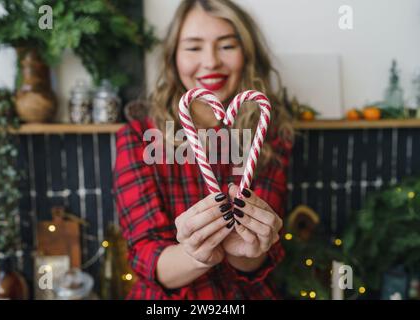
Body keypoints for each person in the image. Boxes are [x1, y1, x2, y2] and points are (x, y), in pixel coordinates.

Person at [113, 0, 294, 299]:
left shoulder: (268, 135)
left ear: (247, 54)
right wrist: (195, 255)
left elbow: (258, 256)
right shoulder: (138, 137)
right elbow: (146, 256)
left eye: (226, 46)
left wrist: (247, 249)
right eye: (194, 47)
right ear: (173, 58)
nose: (210, 62)